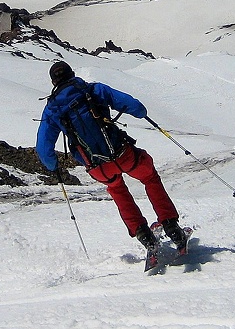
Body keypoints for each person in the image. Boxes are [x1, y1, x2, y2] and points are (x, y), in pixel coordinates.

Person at [36, 60, 189, 256]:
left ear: (53, 83)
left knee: (117, 189)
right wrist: (141, 114)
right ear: (72, 73)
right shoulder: (93, 90)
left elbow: (43, 148)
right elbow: (135, 106)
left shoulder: (52, 110)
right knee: (149, 177)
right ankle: (171, 227)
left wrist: (52, 166)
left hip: (98, 167)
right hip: (123, 154)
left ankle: (144, 235)